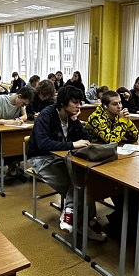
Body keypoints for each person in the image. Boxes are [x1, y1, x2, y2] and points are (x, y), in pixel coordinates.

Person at [26, 86, 106, 241]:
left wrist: (76, 122)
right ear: (63, 102)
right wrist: (72, 145)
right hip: (41, 159)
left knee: (86, 177)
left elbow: (86, 138)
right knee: (78, 184)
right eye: (75, 102)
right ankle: (86, 222)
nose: (78, 106)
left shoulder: (71, 117)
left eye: (80, 102)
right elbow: (43, 144)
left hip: (63, 158)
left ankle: (71, 211)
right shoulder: (46, 115)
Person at [84, 90, 139, 236]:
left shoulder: (117, 116)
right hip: (95, 159)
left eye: (120, 103)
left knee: (129, 185)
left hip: (112, 157)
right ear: (105, 106)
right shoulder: (96, 117)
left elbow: (134, 136)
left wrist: (127, 120)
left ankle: (123, 218)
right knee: (117, 185)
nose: (119, 106)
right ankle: (120, 219)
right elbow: (111, 140)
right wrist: (122, 122)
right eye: (115, 104)